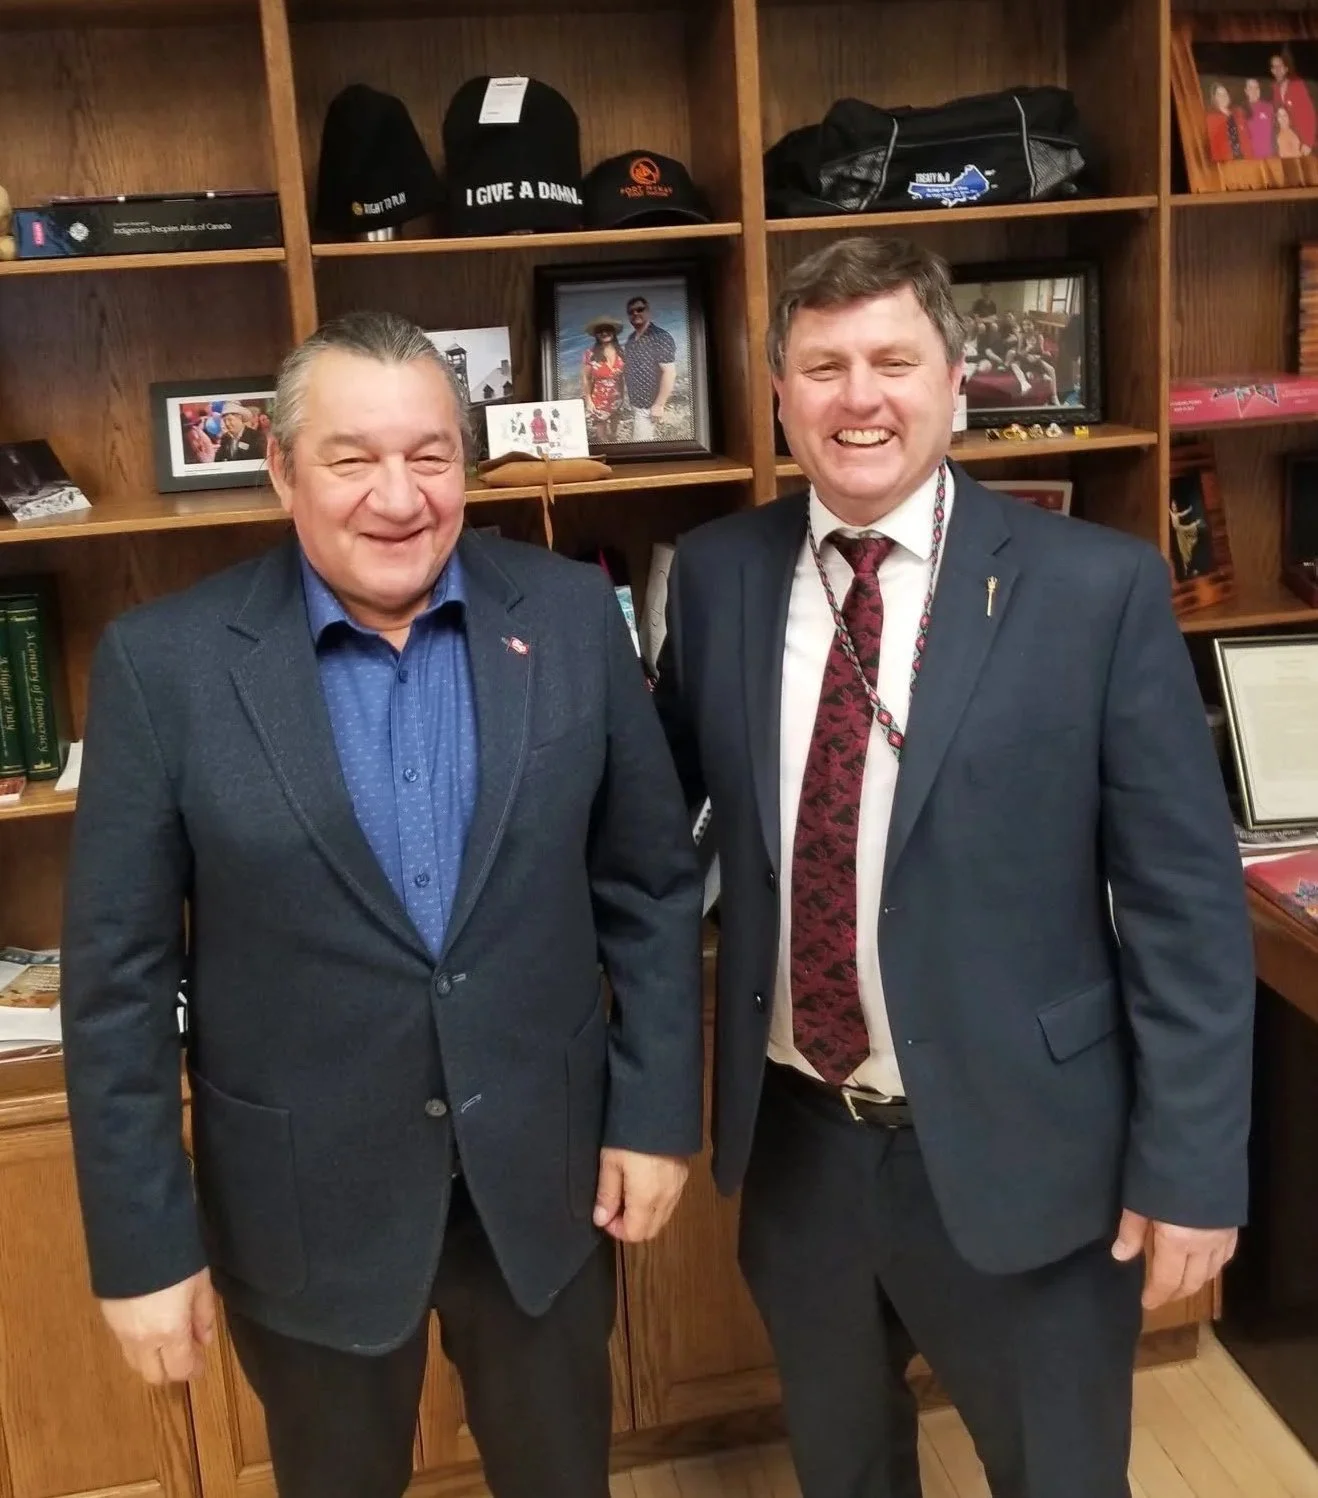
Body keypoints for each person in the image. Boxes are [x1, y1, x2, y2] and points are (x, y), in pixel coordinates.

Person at [61, 310, 705, 1498]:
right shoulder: (165, 666)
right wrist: (143, 1245)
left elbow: (651, 884)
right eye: (352, 459)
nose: (398, 498)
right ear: (281, 470)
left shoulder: (569, 615)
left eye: (429, 456)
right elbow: (117, 993)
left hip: (546, 1185)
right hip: (305, 1210)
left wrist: (656, 1113)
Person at [653, 236, 1254, 1498]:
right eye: (823, 366)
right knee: (844, 1472)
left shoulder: (1095, 589)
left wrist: (1194, 1169)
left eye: (892, 361)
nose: (857, 397)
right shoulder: (713, 574)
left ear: (954, 379)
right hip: (803, 1145)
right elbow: (662, 831)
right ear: (778, 392)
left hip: (1028, 1150)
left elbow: (1185, 909)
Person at [623, 295, 677, 439]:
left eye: (639, 309)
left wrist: (659, 405)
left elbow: (669, 373)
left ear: (648, 311)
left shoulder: (660, 337)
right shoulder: (631, 339)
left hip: (649, 405)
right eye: (631, 312)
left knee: (639, 446)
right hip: (636, 402)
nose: (635, 313)